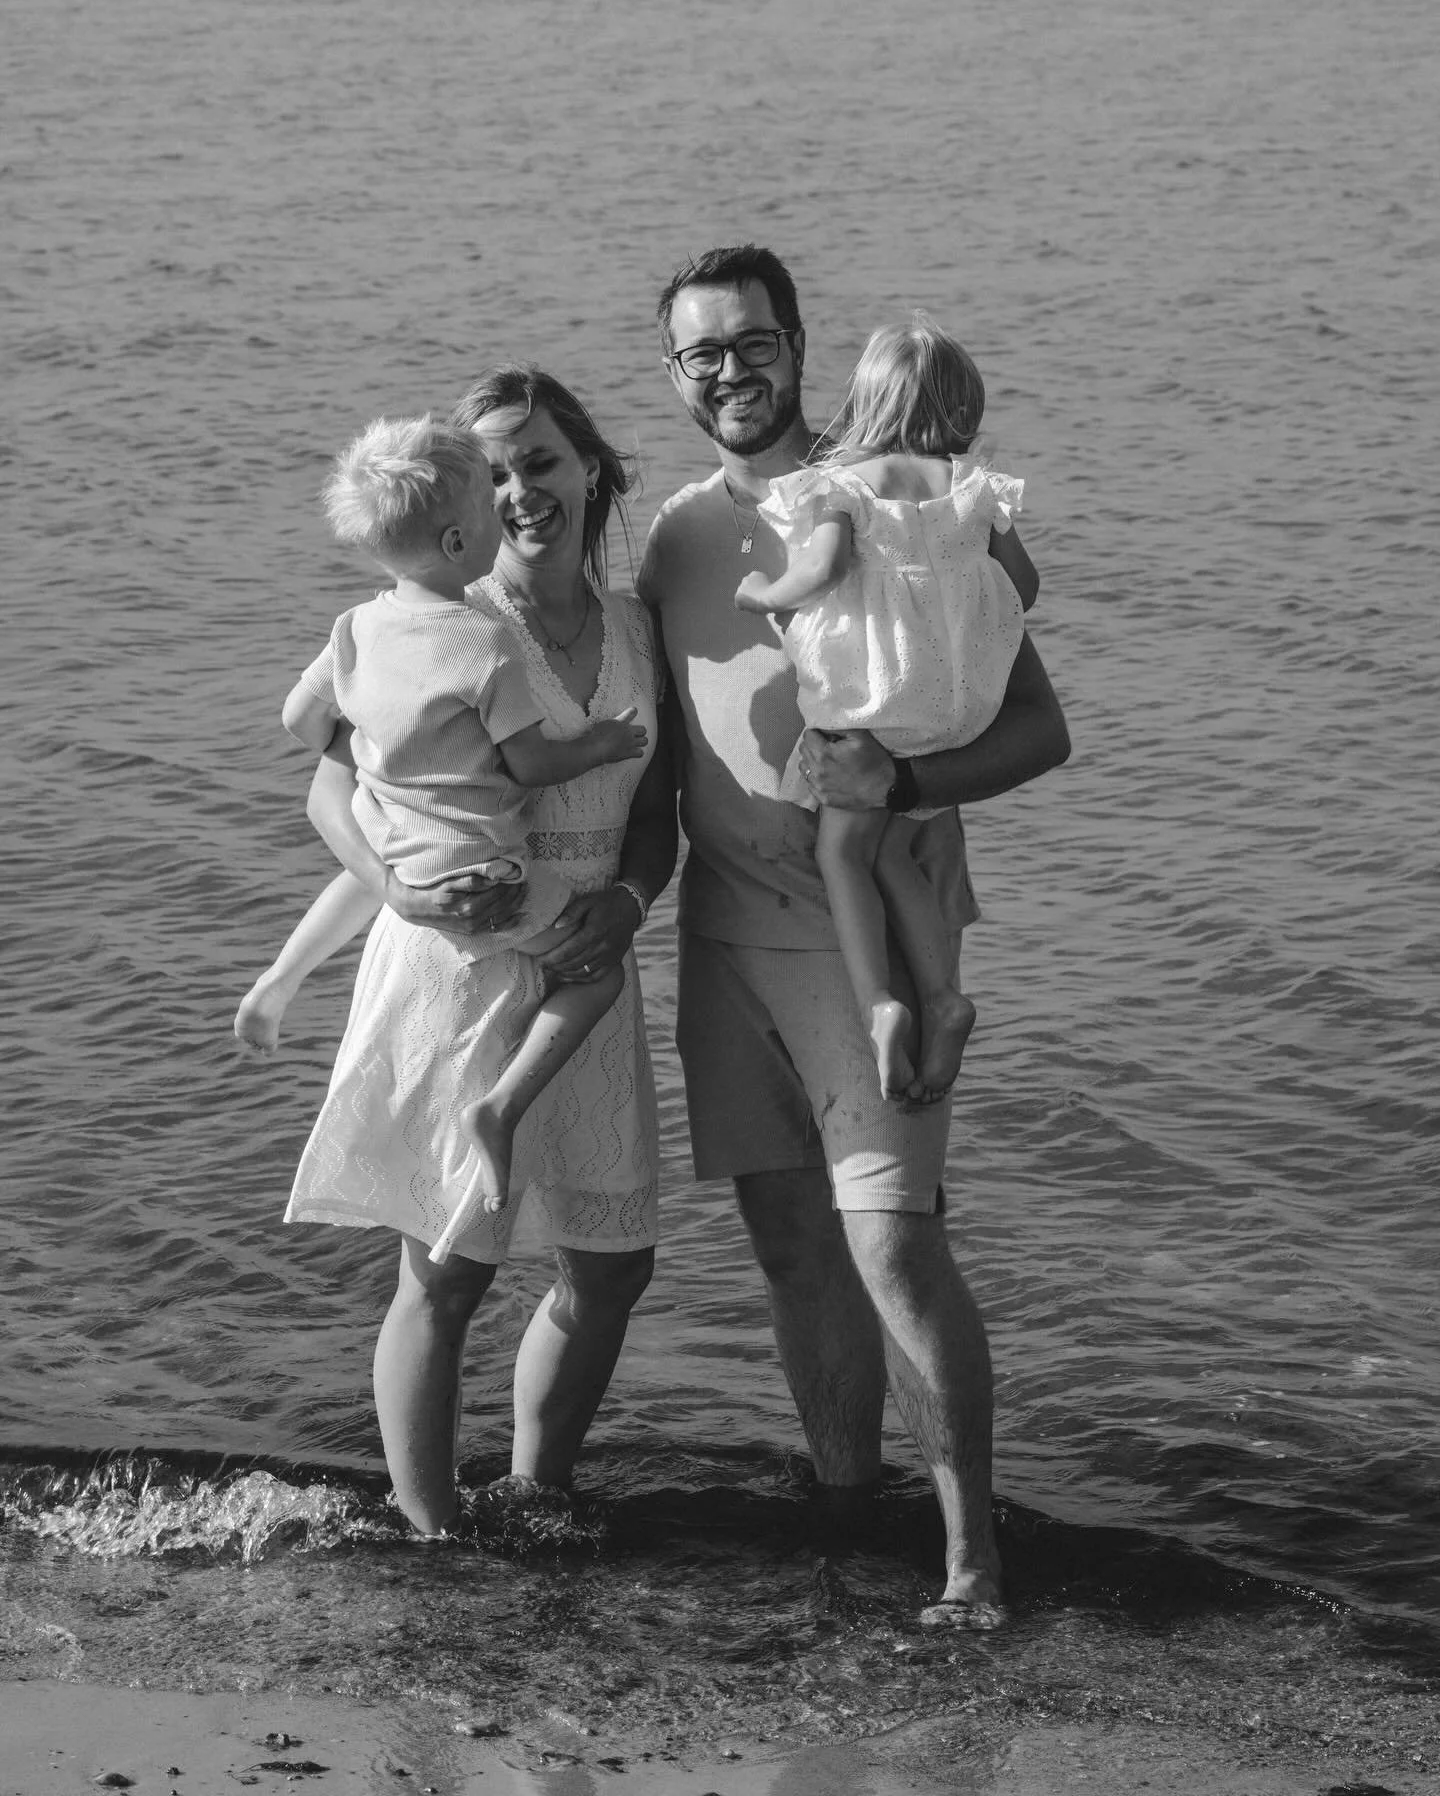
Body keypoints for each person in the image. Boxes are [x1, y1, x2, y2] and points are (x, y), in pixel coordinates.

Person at [640, 244, 1070, 1621]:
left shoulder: (907, 504)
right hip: (724, 936)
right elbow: (662, 762)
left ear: (800, 345)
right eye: (701, 352)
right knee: (788, 1246)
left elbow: (1039, 728)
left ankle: (971, 1561)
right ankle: (843, 1518)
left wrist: (906, 782)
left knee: (894, 1245)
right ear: (677, 374)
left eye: (751, 343)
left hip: (874, 931)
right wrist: (591, 907)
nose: (730, 371)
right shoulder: (676, 537)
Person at [279, 367, 676, 1537]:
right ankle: (430, 1528)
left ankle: (537, 1494)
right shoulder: (442, 618)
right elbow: (326, 788)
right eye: (495, 472)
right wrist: (390, 879)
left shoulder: (637, 628)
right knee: (446, 1268)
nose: (520, 492)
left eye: (540, 462)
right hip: (457, 960)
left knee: (610, 1264)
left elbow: (658, 804)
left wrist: (636, 900)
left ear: (590, 466)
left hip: (589, 947)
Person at [270, 413, 646, 1239]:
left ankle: (279, 982)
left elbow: (299, 717)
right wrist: (603, 742)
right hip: (492, 879)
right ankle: (501, 1109)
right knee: (599, 977)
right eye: (488, 502)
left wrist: (373, 753)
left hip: (409, 853)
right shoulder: (480, 641)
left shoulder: (357, 627)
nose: (506, 510)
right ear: (454, 541)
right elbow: (529, 766)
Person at [734, 312, 1028, 1108]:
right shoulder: (971, 488)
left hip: (872, 704)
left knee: (844, 853)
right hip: (955, 709)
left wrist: (763, 592)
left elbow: (821, 569)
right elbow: (1023, 589)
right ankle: (946, 995)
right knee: (896, 847)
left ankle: (882, 1004)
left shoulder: (844, 485)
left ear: (866, 405)